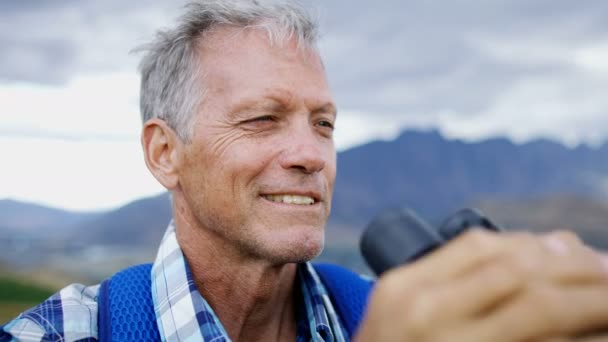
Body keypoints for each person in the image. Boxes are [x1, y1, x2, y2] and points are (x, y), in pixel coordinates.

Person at [3, 1, 608, 341]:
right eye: (263, 119)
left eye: (324, 124)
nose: (311, 155)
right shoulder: (62, 335)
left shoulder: (383, 315)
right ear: (165, 154)